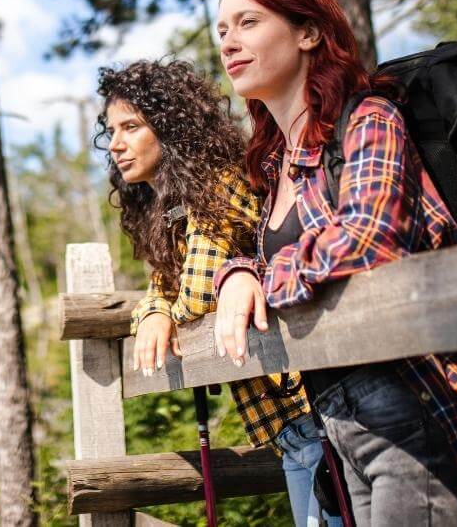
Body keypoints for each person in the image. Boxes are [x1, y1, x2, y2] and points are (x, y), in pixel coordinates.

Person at [212, 0, 457, 527]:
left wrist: (263, 279)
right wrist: (235, 273)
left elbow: (369, 240)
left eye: (248, 22)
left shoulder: (367, 117)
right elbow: (274, 259)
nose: (229, 42)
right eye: (222, 30)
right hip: (342, 422)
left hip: (411, 406)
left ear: (308, 32)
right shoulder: (276, 164)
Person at [96, 59, 342, 527]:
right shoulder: (172, 211)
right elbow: (165, 288)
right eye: (112, 131)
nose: (117, 145)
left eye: (131, 126)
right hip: (291, 430)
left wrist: (165, 309)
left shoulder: (216, 187)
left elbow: (194, 301)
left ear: (170, 128)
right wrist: (151, 311)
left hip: (311, 415)